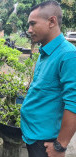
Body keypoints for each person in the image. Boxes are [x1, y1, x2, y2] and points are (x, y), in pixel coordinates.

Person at [21, 1, 76, 157]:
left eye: (33, 24)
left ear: (52, 21)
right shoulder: (46, 51)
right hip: (33, 135)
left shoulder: (68, 55)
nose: (29, 30)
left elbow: (74, 103)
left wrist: (60, 146)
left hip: (46, 143)